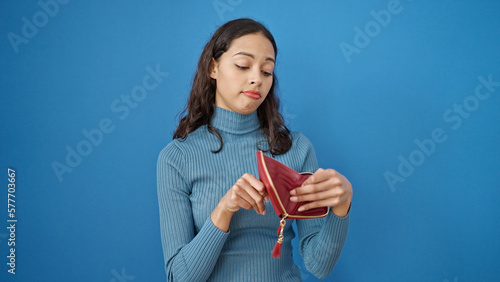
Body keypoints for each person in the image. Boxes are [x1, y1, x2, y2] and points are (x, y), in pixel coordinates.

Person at [157, 18, 352, 281]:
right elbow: (179, 278)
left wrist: (341, 207)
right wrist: (224, 209)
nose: (256, 79)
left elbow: (318, 265)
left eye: (266, 71)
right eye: (243, 65)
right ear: (213, 68)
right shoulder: (177, 158)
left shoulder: (296, 149)